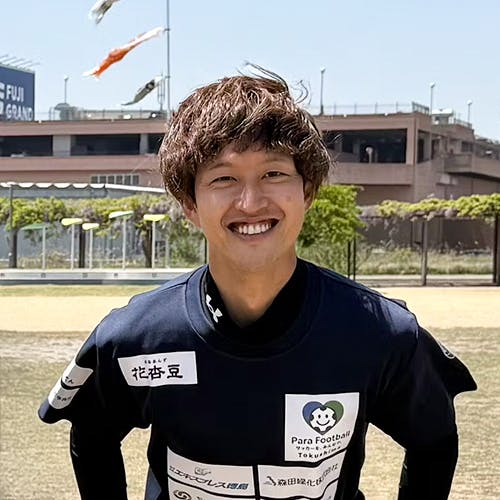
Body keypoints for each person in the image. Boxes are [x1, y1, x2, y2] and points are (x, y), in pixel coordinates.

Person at [39, 69, 476, 500]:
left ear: (307, 191)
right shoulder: (137, 336)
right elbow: (91, 436)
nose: (250, 202)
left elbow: (434, 440)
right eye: (223, 178)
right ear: (190, 203)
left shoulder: (379, 332)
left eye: (274, 174)